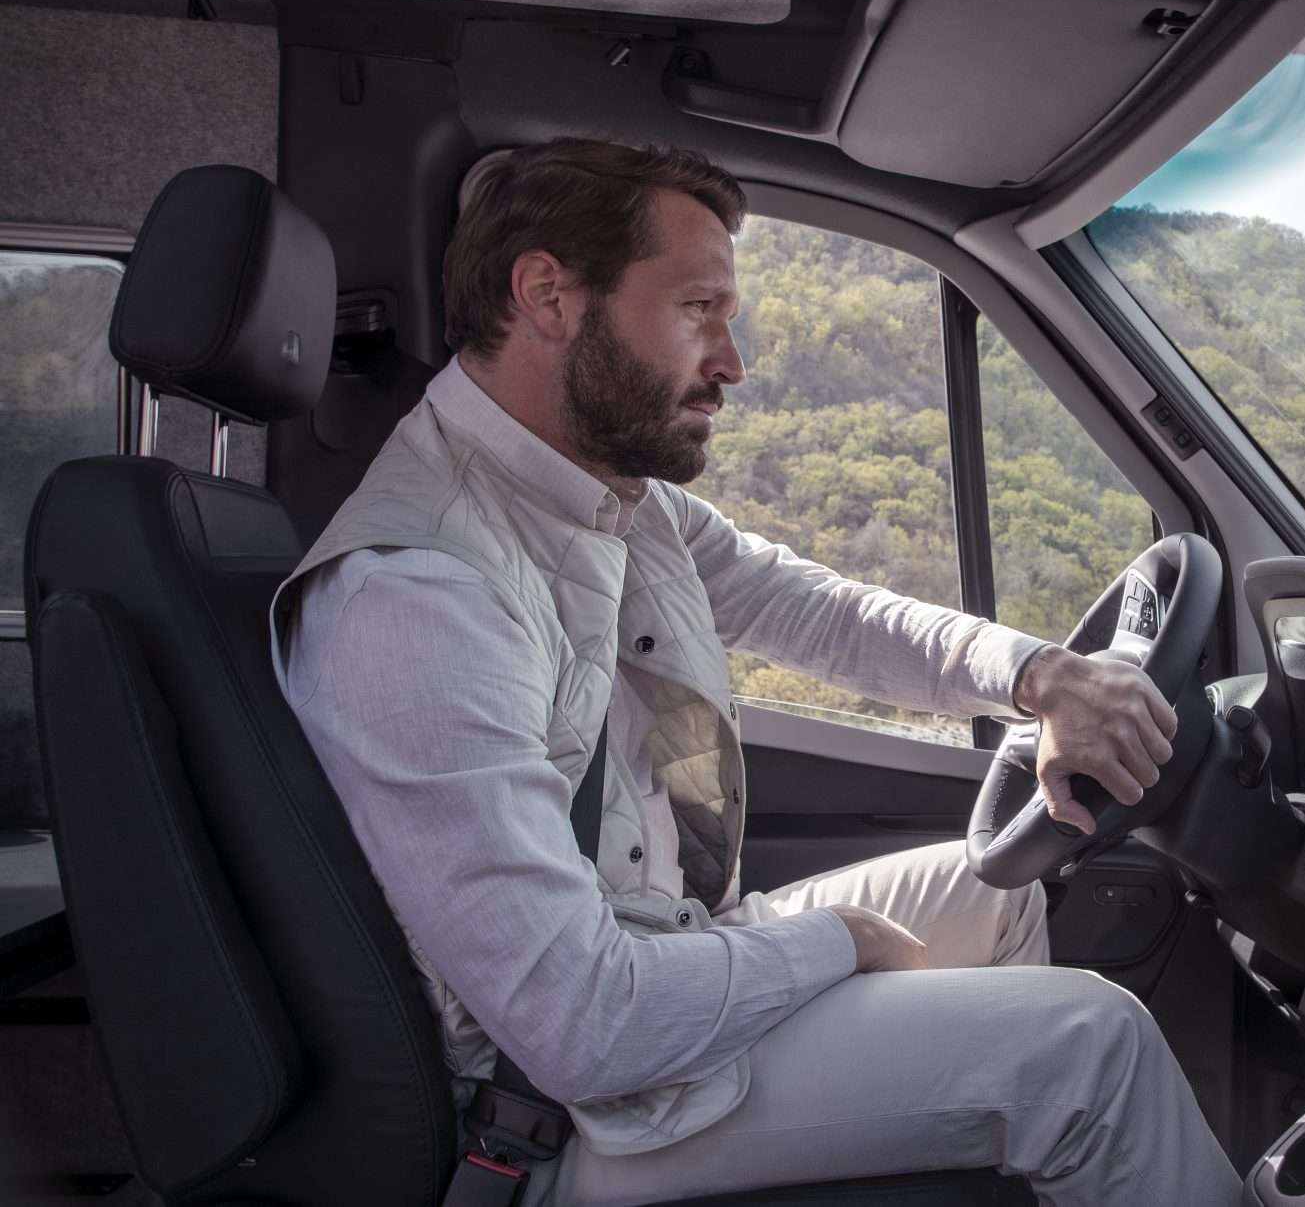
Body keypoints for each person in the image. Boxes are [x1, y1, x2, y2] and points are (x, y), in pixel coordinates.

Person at [270, 138, 1242, 1206]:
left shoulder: (605, 495)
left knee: (995, 893)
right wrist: (835, 943)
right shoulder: (419, 594)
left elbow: (818, 610)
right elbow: (579, 1025)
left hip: (669, 950)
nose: (731, 361)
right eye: (698, 310)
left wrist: (1039, 675)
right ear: (549, 296)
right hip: (559, 1112)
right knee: (1092, 1044)